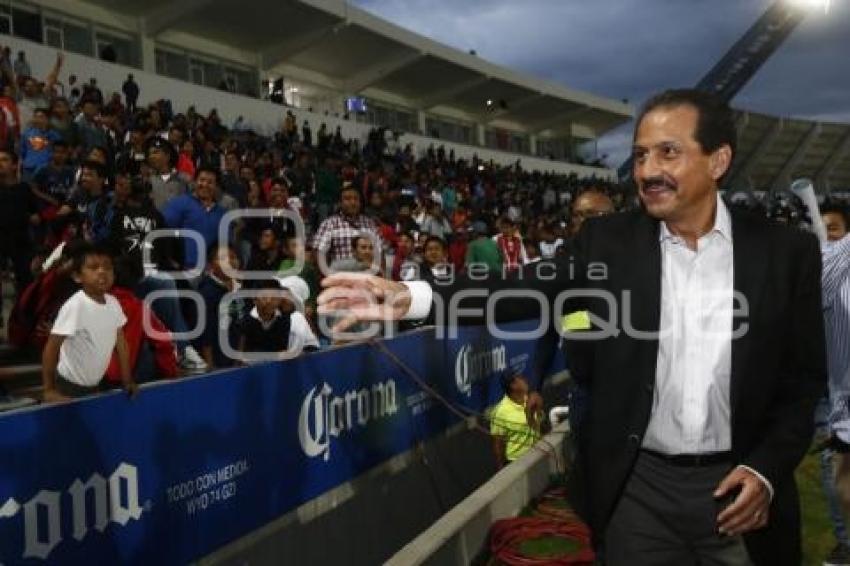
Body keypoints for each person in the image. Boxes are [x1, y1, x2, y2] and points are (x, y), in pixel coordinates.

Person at [317, 89, 827, 565]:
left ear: (718, 160)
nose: (648, 170)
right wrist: (415, 296)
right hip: (638, 493)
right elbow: (527, 288)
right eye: (641, 154)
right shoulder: (608, 243)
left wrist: (765, 470)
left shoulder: (786, 254)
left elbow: (801, 387)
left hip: (740, 493)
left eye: (668, 153)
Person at [41, 243, 137, 401]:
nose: (102, 272)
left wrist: (127, 380)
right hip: (68, 384)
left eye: (107, 267)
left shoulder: (113, 303)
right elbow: (52, 347)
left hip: (94, 384)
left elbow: (121, 343)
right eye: (93, 267)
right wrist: (49, 389)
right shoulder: (76, 306)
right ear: (77, 276)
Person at [162, 166, 226, 271]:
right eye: (201, 180)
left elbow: (225, 245)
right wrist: (171, 261)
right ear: (195, 182)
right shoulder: (179, 204)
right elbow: (164, 233)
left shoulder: (221, 213)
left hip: (210, 272)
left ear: (216, 186)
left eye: (210, 182)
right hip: (184, 269)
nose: (204, 184)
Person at [312, 185, 381, 268]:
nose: (353, 202)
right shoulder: (329, 224)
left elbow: (380, 252)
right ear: (340, 203)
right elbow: (318, 254)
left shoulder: (370, 224)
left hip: (367, 275)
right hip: (340, 275)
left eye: (356, 199)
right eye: (348, 199)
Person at [490, 373, 542, 468]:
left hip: (538, 453)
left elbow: (539, 426)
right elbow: (498, 445)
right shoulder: (501, 411)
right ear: (513, 386)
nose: (525, 380)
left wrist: (537, 410)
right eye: (521, 378)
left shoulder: (531, 399)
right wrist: (502, 471)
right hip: (517, 462)